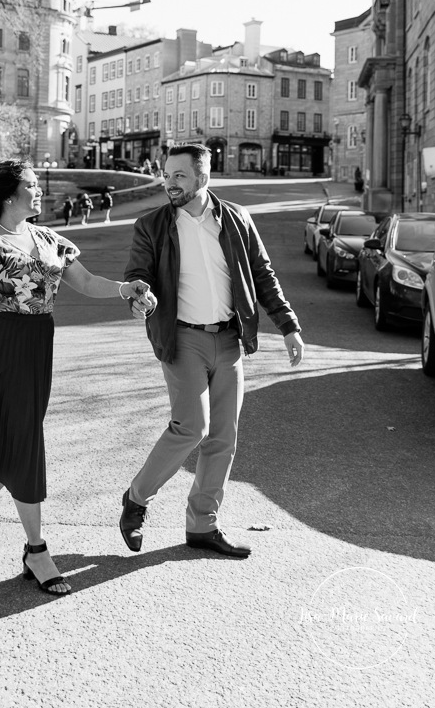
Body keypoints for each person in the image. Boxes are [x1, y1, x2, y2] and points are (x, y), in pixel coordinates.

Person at [0, 159, 155, 596]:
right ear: (8, 194)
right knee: (23, 445)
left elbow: (87, 281)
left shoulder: (49, 239)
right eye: (32, 186)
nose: (39, 192)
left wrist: (124, 288)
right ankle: (36, 550)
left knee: (11, 446)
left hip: (38, 348)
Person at [120, 143, 304, 560]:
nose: (170, 182)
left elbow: (263, 274)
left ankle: (203, 525)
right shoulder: (152, 225)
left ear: (203, 178)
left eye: (179, 176)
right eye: (167, 174)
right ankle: (136, 498)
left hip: (229, 339)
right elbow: (137, 275)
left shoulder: (236, 219)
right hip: (183, 338)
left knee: (223, 437)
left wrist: (289, 325)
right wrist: (139, 297)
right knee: (191, 426)